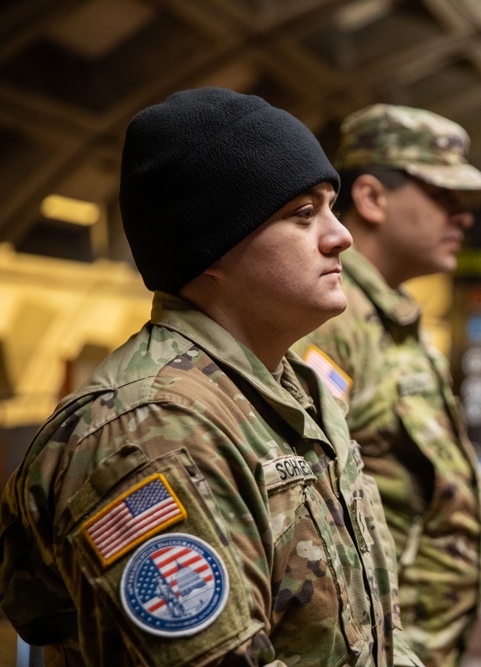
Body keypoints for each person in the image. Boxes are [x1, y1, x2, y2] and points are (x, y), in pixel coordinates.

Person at [0, 88, 420, 667]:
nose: (340, 235)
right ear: (212, 250)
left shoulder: (294, 392)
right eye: (303, 214)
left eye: (331, 206)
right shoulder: (151, 433)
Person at [292, 104, 481, 667]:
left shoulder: (394, 320)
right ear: (372, 198)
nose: (463, 218)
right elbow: (304, 514)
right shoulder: (333, 322)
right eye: (443, 197)